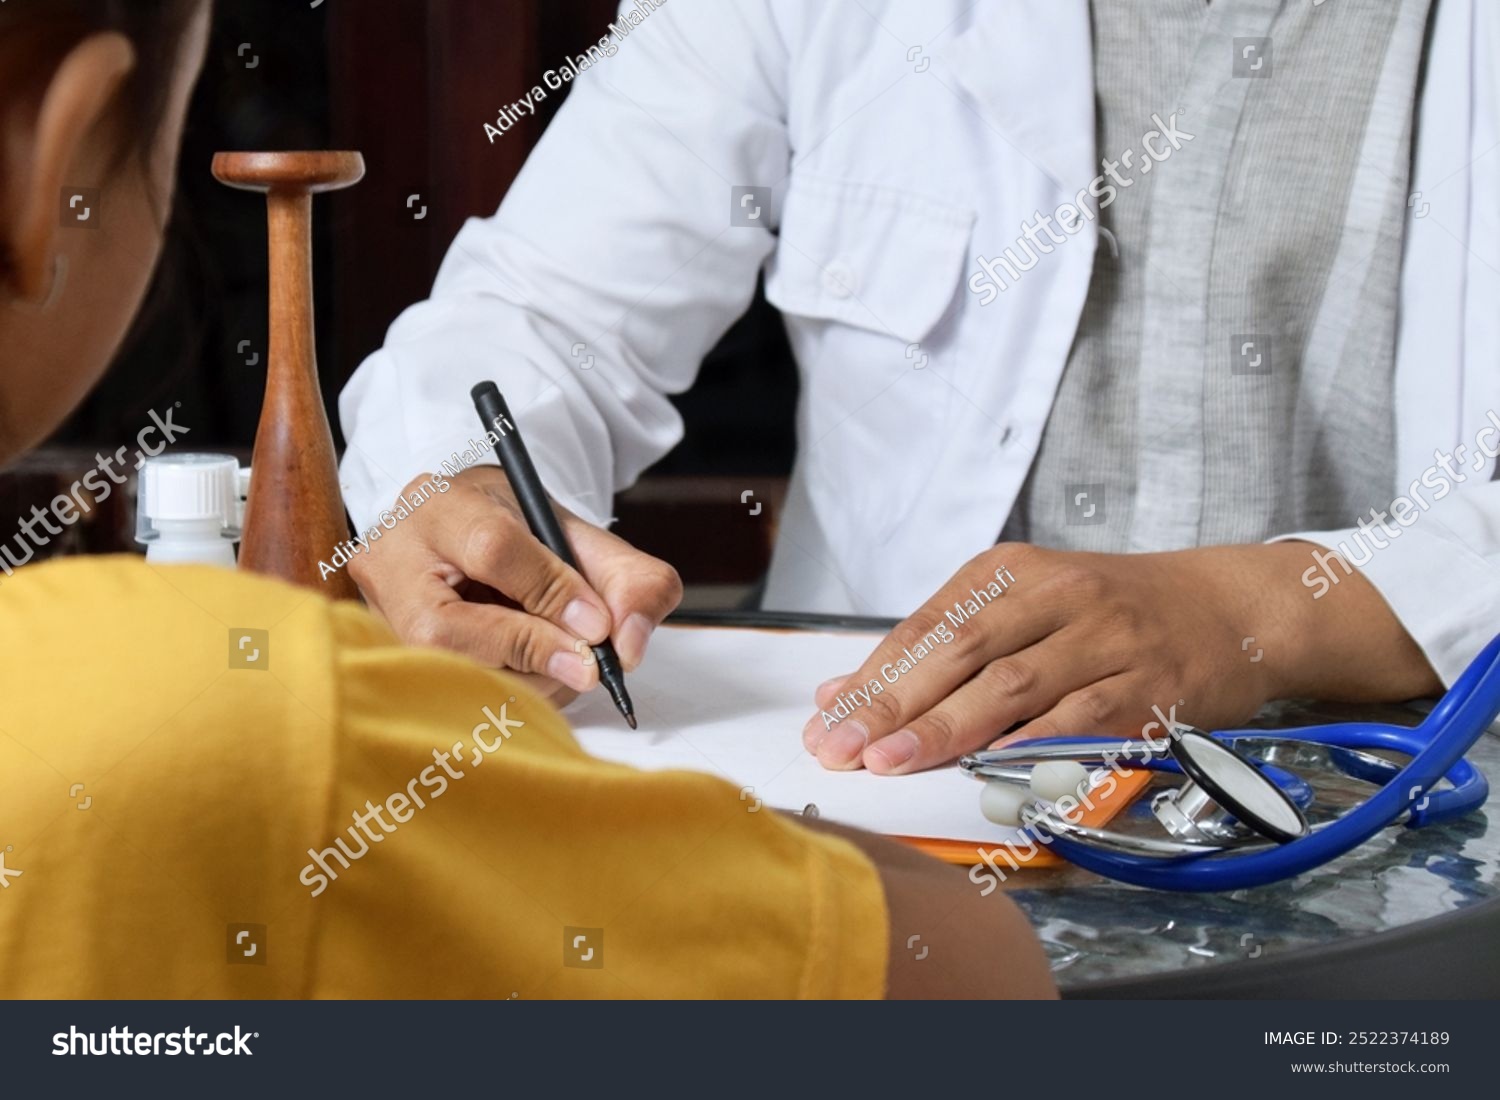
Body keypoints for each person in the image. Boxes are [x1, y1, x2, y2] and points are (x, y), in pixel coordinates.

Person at [0, 0, 1055, 1001]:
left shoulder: (131, 690)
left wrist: (1232, 599)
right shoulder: (239, 723)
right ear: (56, 152)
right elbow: (978, 972)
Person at [339, 0, 1498, 778]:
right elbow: (540, 313)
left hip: (1399, 809)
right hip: (888, 806)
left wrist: (1253, 615)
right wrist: (464, 484)